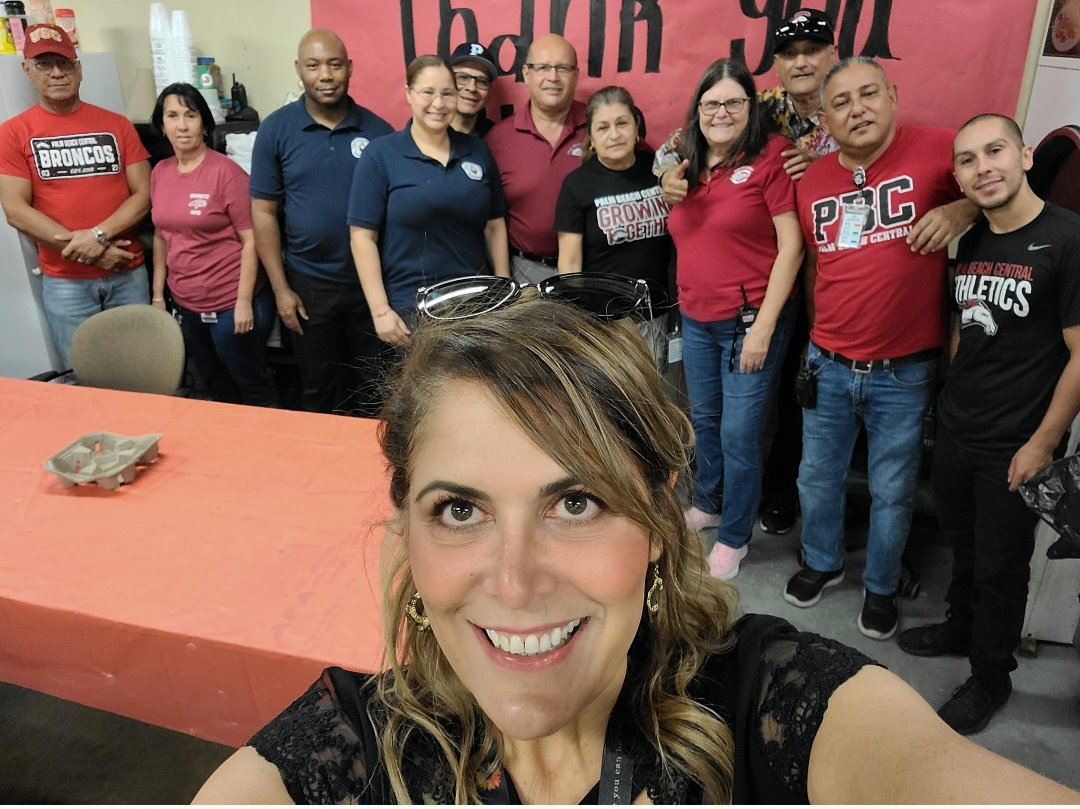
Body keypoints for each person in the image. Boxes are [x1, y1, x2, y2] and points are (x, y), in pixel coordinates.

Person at [190, 277, 1080, 805]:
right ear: (406, 532)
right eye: (460, 509)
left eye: (575, 501)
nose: (514, 578)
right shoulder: (351, 741)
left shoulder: (773, 708)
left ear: (658, 523)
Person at [898, 114, 1080, 734]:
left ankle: (990, 675)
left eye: (996, 151)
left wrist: (1042, 443)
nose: (985, 168)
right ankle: (959, 625)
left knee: (1002, 566)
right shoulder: (971, 236)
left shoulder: (1068, 238)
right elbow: (964, 327)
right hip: (959, 427)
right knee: (962, 543)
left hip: (1018, 439)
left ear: (1027, 156)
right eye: (969, 160)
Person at [786, 57, 977, 640]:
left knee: (894, 489)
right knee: (816, 478)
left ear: (893, 95)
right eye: (840, 102)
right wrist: (815, 343)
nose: (856, 109)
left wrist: (959, 207)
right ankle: (822, 561)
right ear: (825, 116)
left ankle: (881, 586)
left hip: (906, 371)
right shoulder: (813, 180)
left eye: (868, 94)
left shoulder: (938, 149)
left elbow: (1002, 187)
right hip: (829, 361)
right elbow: (816, 268)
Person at [656, 8, 840, 537]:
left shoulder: (845, 105)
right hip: (707, 309)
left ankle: (751, 517)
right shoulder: (758, 111)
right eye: (790, 53)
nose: (801, 61)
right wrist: (667, 174)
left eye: (812, 50)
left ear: (832, 53)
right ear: (777, 65)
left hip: (803, 287)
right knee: (716, 420)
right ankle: (715, 503)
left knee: (762, 419)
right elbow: (668, 155)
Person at [665, 59, 803, 581]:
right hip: (697, 316)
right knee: (705, 423)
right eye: (710, 104)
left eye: (733, 103)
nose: (721, 112)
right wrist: (664, 180)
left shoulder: (772, 157)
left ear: (751, 107)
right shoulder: (686, 161)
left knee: (740, 433)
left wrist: (765, 327)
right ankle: (709, 503)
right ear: (696, 112)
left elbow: (791, 248)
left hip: (751, 319)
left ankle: (734, 536)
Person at [249, 29, 393, 415]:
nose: (325, 75)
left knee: (376, 390)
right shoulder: (276, 130)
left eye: (334, 64)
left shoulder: (380, 133)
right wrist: (281, 290)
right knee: (318, 389)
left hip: (370, 285)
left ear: (349, 68)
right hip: (308, 287)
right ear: (299, 70)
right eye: (313, 66)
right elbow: (263, 214)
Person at [0, 23, 150, 369]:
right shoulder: (13, 134)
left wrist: (98, 236)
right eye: (44, 64)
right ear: (27, 70)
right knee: (83, 378)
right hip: (65, 283)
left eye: (65, 63)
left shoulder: (117, 125)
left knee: (143, 370)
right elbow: (16, 211)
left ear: (78, 67)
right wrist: (93, 254)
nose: (56, 73)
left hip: (128, 272)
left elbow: (144, 193)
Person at [348, 55, 509, 349]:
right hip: (411, 311)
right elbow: (362, 237)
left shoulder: (477, 150)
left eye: (447, 93)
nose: (438, 103)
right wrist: (380, 310)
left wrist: (504, 290)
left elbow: (494, 226)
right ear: (408, 93)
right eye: (428, 92)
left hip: (476, 303)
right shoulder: (381, 155)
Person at [149, 83, 277, 407]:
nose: (181, 125)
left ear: (204, 123)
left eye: (190, 116)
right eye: (172, 116)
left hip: (230, 303)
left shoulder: (226, 173)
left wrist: (243, 302)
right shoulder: (160, 173)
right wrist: (157, 295)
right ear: (162, 125)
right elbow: (160, 235)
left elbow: (251, 241)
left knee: (250, 382)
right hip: (186, 302)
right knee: (214, 383)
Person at [555, 86, 673, 369]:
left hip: (656, 314)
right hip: (605, 322)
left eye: (622, 123)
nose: (615, 134)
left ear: (636, 128)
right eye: (603, 127)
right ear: (592, 139)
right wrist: (581, 323)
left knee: (654, 400)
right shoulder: (577, 185)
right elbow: (569, 263)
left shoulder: (658, 171)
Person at [487, 34, 586, 283]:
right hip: (525, 271)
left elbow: (643, 166)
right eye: (542, 67)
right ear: (526, 73)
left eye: (563, 68)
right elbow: (489, 218)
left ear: (575, 74)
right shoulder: (498, 139)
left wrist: (668, 175)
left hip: (591, 268)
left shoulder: (600, 125)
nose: (553, 77)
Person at [448, 41, 498, 137]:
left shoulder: (496, 139)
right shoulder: (425, 134)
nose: (472, 88)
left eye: (482, 81)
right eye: (463, 77)